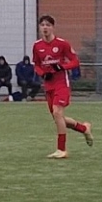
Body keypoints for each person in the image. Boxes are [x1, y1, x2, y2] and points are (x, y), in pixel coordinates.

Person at [32, 15, 93, 159]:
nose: (45, 28)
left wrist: (62, 67)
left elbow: (75, 61)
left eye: (48, 25)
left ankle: (62, 149)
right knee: (58, 117)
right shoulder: (37, 46)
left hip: (61, 84)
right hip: (49, 86)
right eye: (42, 25)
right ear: (39, 28)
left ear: (53, 27)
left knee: (57, 113)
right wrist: (42, 74)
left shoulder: (62, 44)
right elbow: (37, 65)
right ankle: (84, 128)